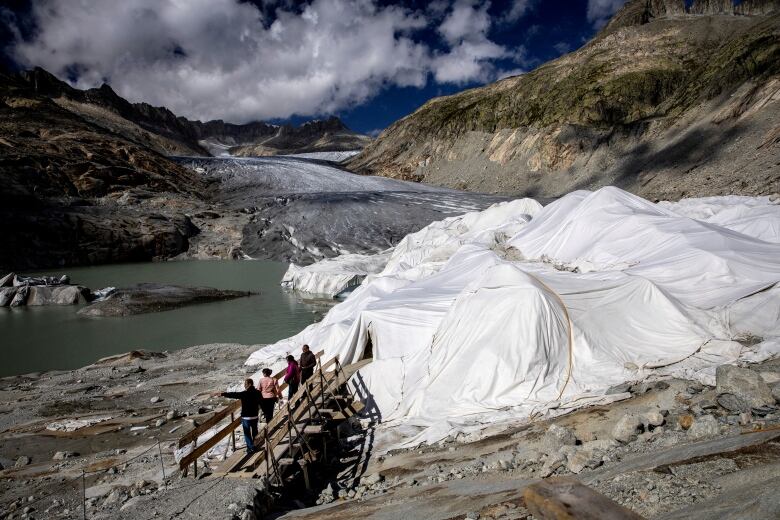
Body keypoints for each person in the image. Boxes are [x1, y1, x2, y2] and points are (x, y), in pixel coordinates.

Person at [212, 379, 261, 455]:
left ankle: (251, 448)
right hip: (254, 416)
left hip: (246, 417)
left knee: (247, 433)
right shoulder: (258, 393)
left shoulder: (244, 393)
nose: (244, 385)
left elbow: (234, 394)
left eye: (246, 384)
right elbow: (261, 401)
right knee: (255, 432)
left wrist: (222, 394)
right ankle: (254, 446)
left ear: (250, 384)